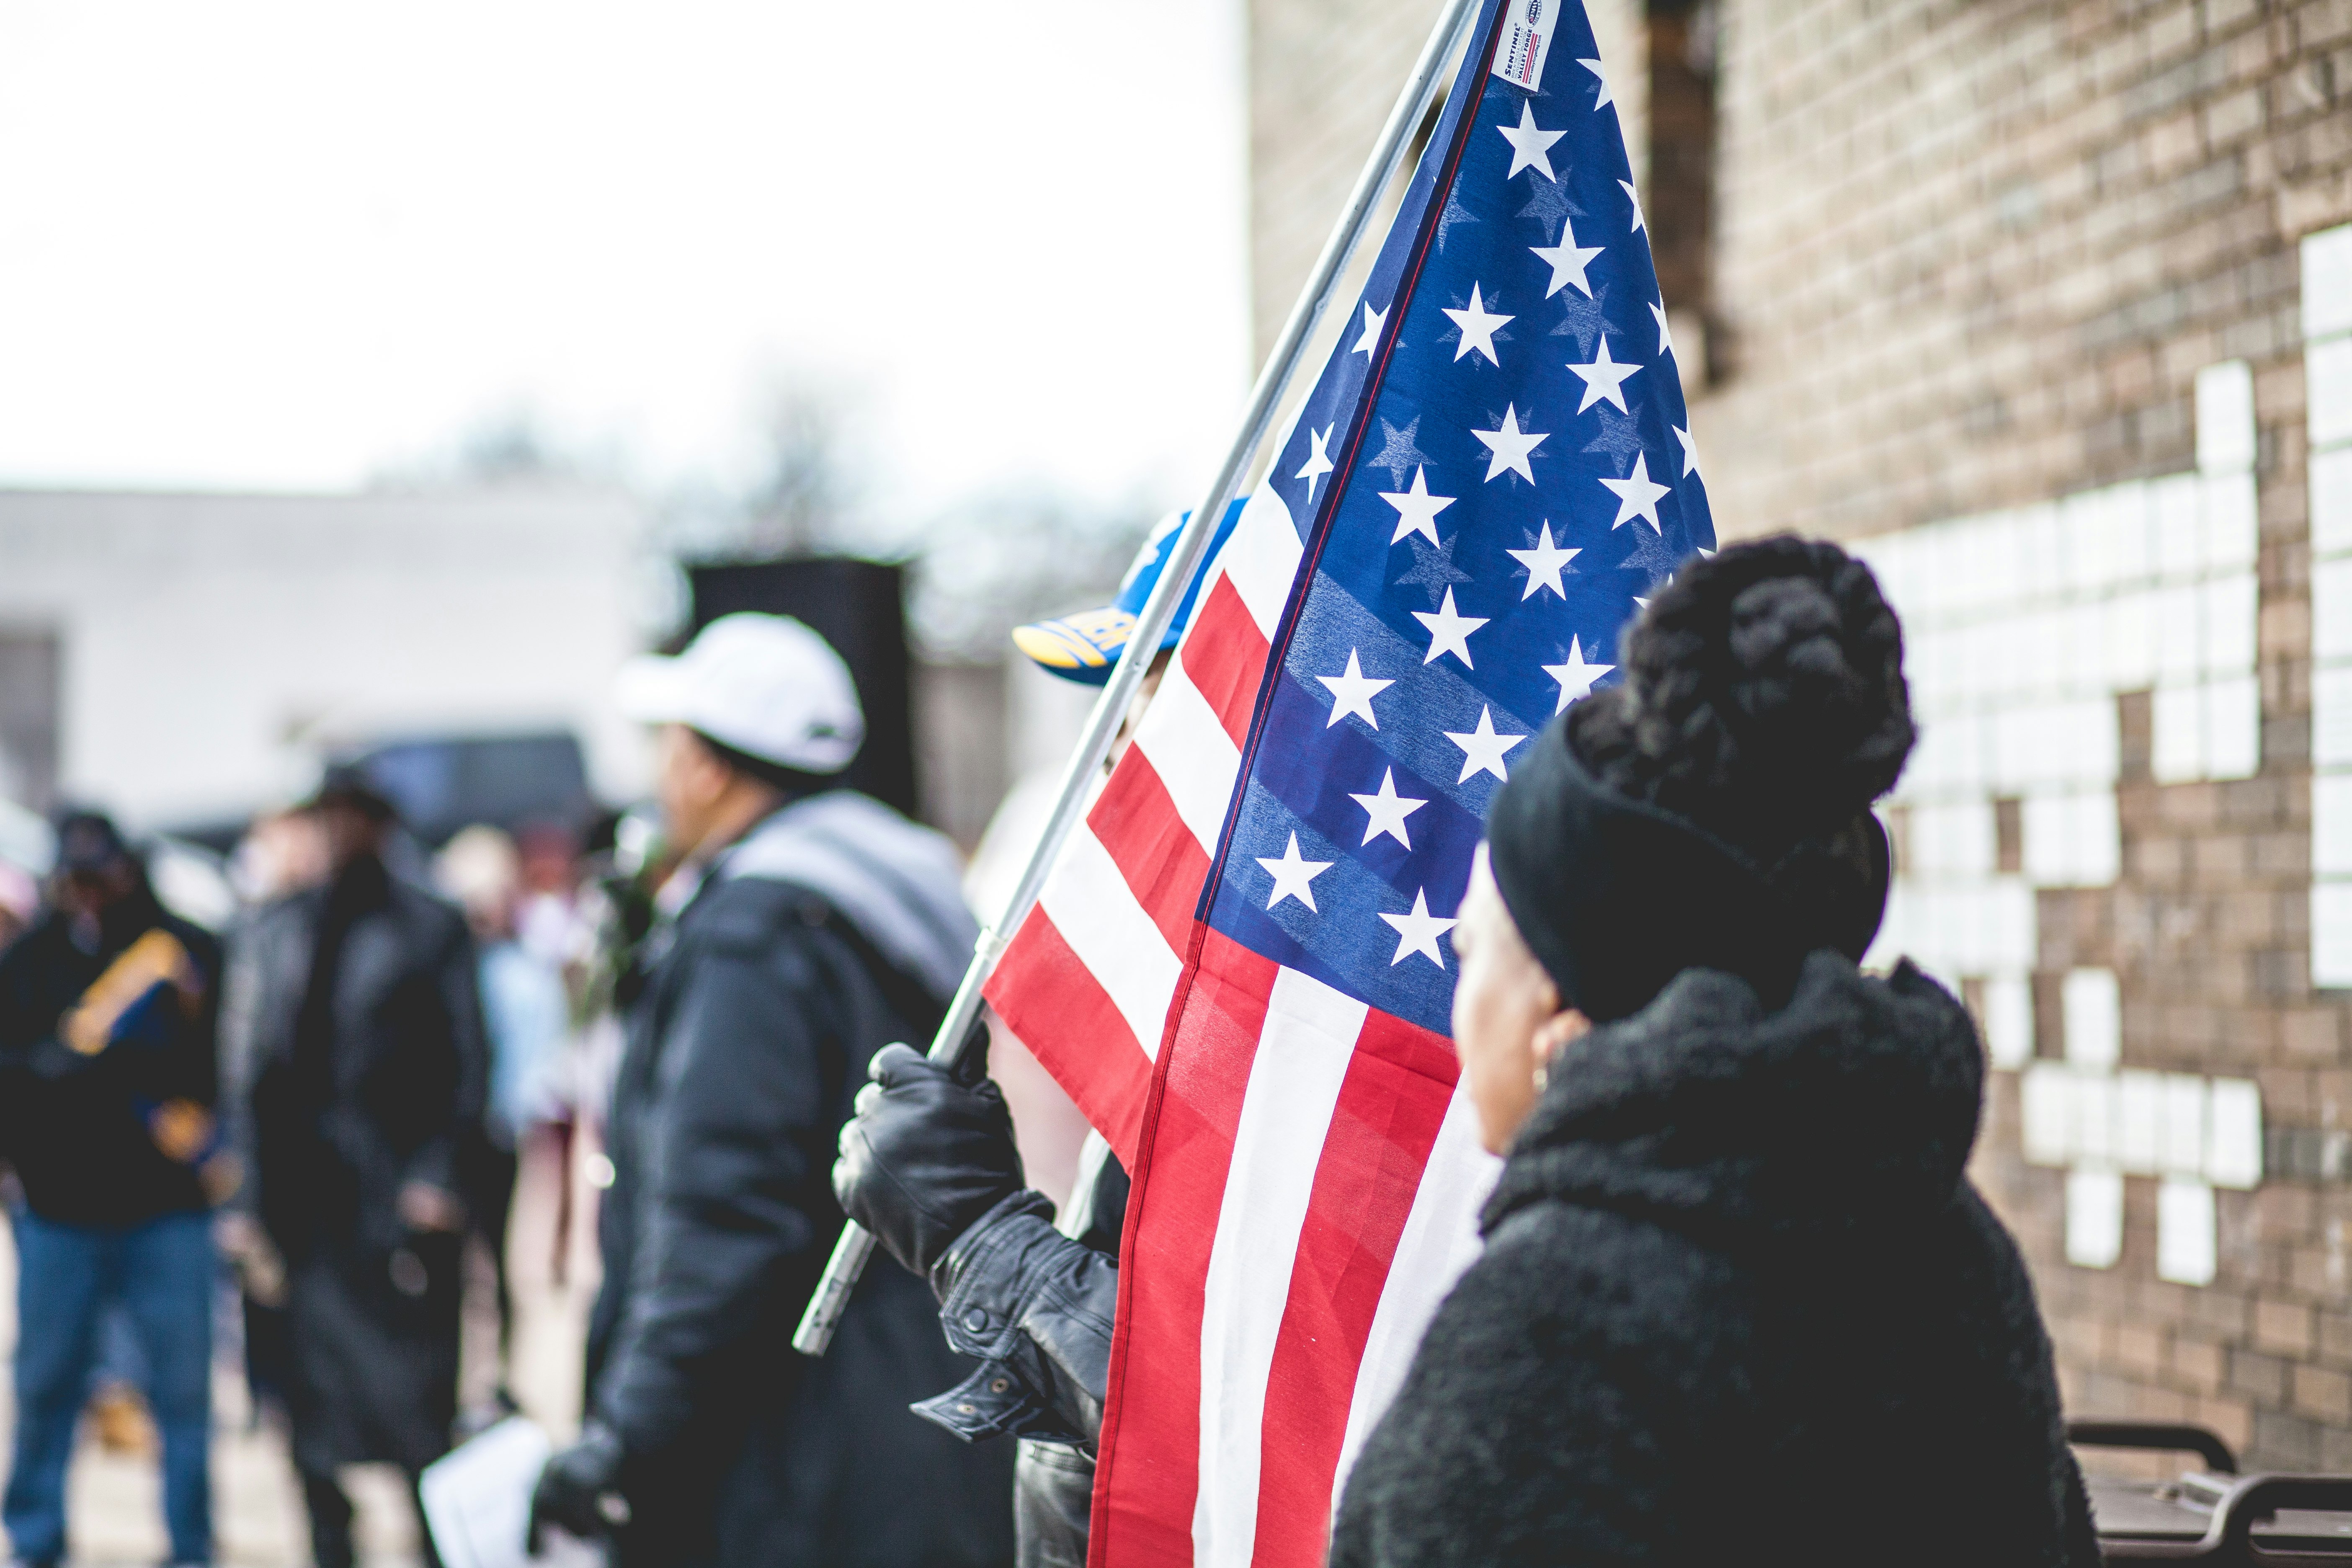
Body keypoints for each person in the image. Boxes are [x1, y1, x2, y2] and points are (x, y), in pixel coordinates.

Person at [1323, 538, 2100, 1565]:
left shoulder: (1551, 1332)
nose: (1454, 1001)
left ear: (1560, 1006)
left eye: (1471, 952)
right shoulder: (1957, 1249)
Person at [528, 612, 1016, 1568]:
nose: (659, 774)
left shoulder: (754, 934)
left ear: (710, 769)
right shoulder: (882, 893)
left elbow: (726, 1218)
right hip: (905, 1414)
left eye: (669, 746)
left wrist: (623, 1440)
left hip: (792, 1458)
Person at [831, 505, 1239, 1568]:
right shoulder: (1210, 984)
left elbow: (1251, 1431)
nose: (1108, 768)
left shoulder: (1330, 1040)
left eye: (1146, 707)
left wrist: (983, 1235)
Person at [218, 769, 487, 1568]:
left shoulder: (428, 926)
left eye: (345, 818)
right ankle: (329, 1549)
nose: (330, 834)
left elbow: (468, 1063)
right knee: (306, 1417)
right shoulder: (273, 928)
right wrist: (244, 1196)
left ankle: (438, 1549)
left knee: (415, 1418)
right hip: (300, 1217)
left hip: (391, 1210)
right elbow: (245, 1072)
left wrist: (439, 1178)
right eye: (318, 818)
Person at [0, 811, 226, 1568]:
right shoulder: (26, 964)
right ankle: (36, 1542)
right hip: (60, 1212)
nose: (92, 895)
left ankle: (190, 1547)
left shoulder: (180, 951)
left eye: (105, 877)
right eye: (78, 879)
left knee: (183, 1398)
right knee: (46, 1390)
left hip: (167, 1213)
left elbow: (223, 1060)